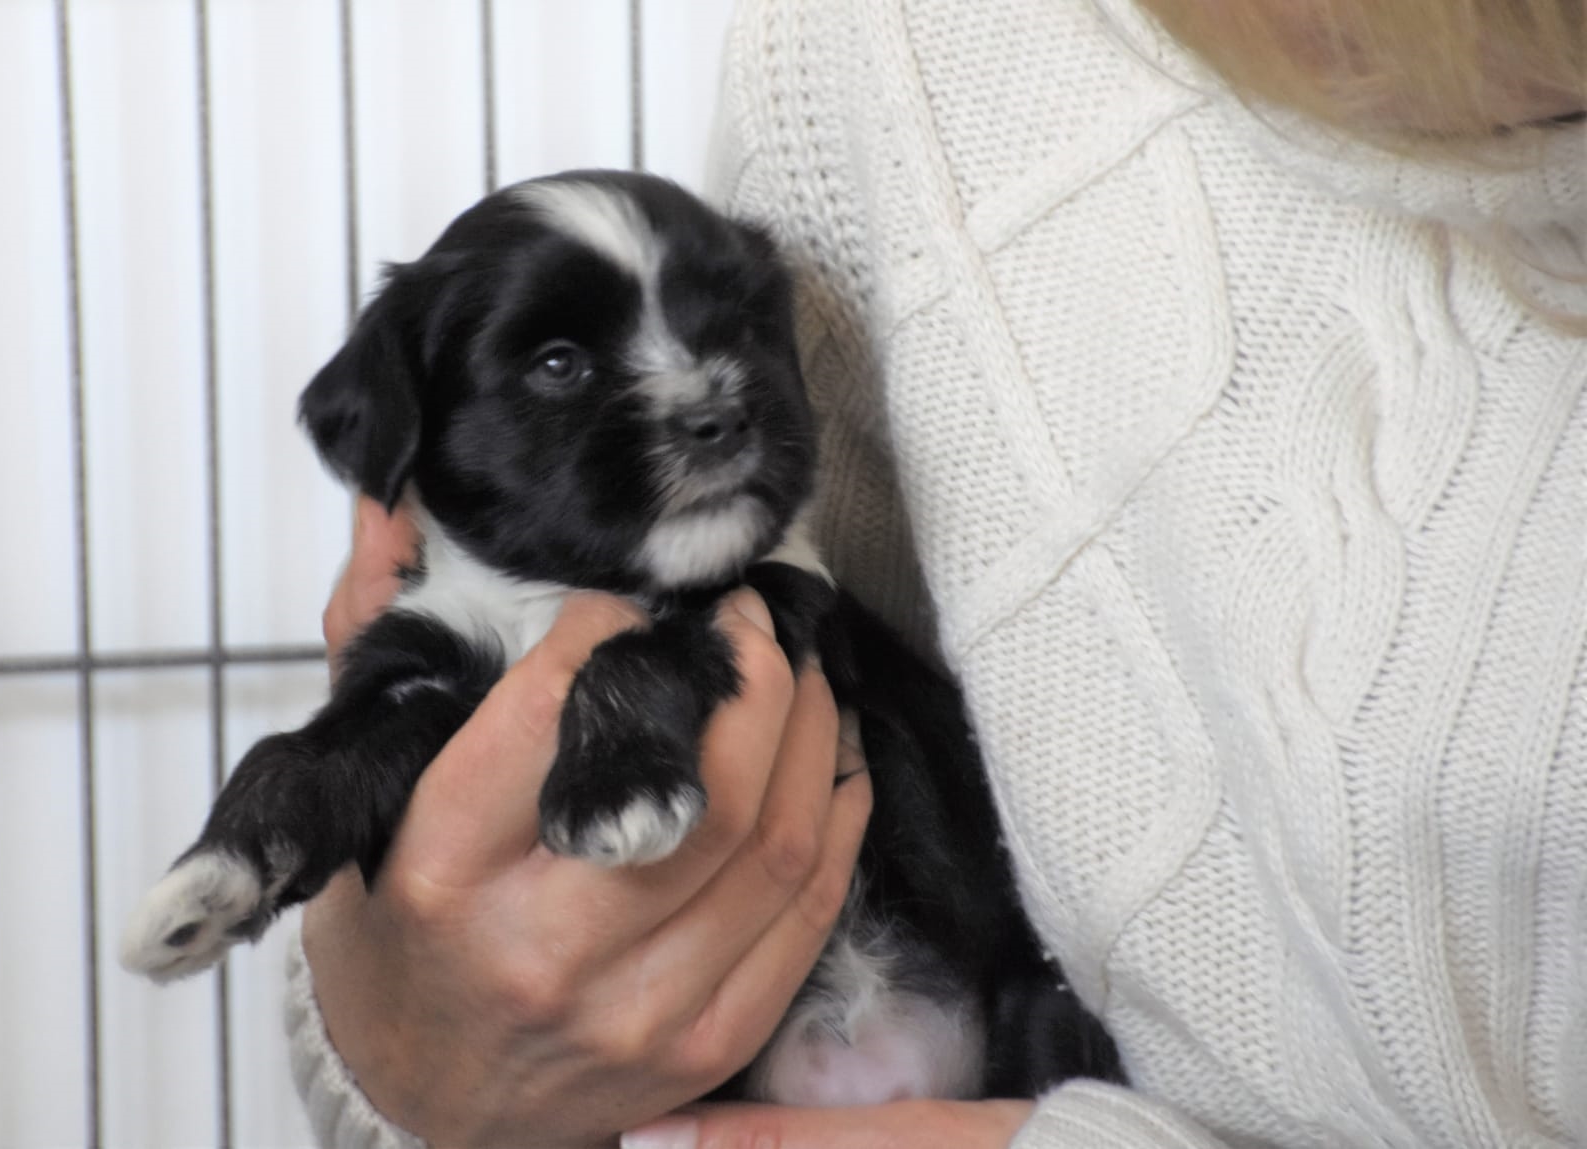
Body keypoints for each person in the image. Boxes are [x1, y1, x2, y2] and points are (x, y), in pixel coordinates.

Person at [286, 0, 1587, 1145]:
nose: (702, 397)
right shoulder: (876, 55)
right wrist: (407, 1033)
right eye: (567, 364)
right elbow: (505, 989)